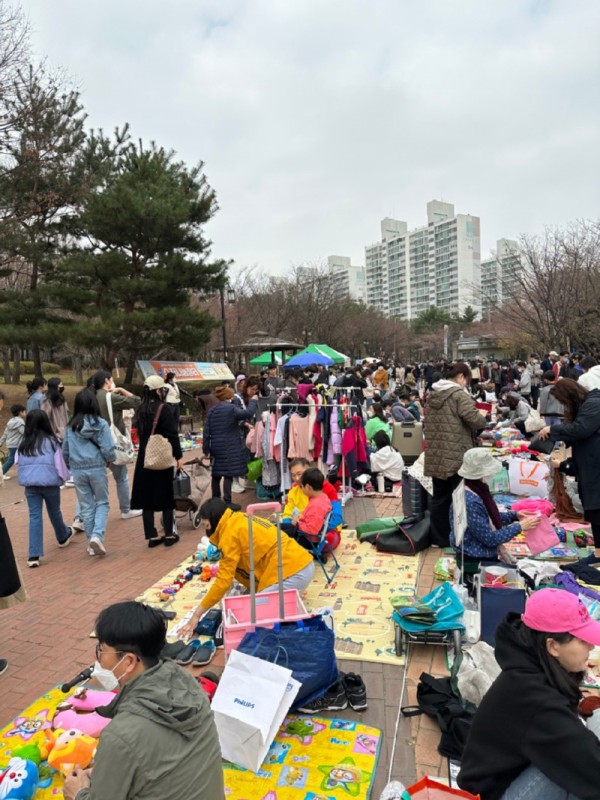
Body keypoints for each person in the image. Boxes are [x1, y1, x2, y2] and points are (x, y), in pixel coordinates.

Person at [62, 601, 224, 800]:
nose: (99, 659)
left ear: (129, 661)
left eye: (102, 651)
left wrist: (77, 793)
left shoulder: (119, 735)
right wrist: (111, 767)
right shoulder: (189, 684)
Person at [458, 588, 600, 800]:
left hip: (513, 774)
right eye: (582, 640)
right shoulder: (535, 699)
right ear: (552, 646)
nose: (591, 645)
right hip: (495, 795)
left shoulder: (532, 664)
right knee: (571, 767)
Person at [181, 499, 315, 638]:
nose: (207, 530)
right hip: (301, 564)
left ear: (214, 520)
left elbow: (223, 581)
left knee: (254, 612)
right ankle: (292, 594)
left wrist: (196, 615)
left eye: (207, 525)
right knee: (250, 600)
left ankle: (290, 604)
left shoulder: (229, 535)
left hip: (294, 572)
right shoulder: (237, 518)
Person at [424, 363, 487, 548]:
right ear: (460, 377)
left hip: (437, 454)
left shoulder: (432, 395)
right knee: (461, 497)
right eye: (466, 380)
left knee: (439, 498)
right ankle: (461, 539)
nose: (466, 384)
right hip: (457, 454)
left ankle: (438, 539)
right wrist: (482, 414)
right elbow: (475, 421)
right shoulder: (458, 395)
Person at [449, 448, 539, 576]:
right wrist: (519, 527)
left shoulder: (473, 489)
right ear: (481, 474)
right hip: (475, 560)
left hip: (475, 553)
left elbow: (486, 517)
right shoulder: (471, 501)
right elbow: (490, 539)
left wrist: (514, 515)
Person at [539, 378, 600, 559]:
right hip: (591, 467)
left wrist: (553, 430)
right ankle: (597, 556)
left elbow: (581, 429)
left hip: (596, 468)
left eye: (564, 401)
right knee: (595, 513)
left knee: (597, 510)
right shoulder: (587, 405)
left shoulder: (594, 403)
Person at [130, 375, 182, 548]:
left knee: (147, 499)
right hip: (161, 457)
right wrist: (179, 456)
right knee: (166, 496)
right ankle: (169, 534)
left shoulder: (141, 409)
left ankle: (152, 536)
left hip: (144, 458)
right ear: (158, 390)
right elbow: (172, 434)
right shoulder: (163, 408)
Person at [62, 390, 116, 557]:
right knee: (102, 503)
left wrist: (70, 466)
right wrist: (110, 459)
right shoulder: (100, 424)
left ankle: (91, 545)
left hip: (78, 470)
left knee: (86, 506)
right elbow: (108, 449)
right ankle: (97, 536)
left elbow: (65, 450)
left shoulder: (71, 426)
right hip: (97, 467)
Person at [17, 409, 73, 567]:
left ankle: (33, 555)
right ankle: (62, 536)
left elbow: (17, 462)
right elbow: (60, 464)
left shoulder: (24, 443)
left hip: (30, 485)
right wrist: (64, 478)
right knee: (54, 511)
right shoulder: (52, 442)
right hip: (50, 483)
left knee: (34, 517)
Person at [92, 371, 142, 521]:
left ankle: (81, 517)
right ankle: (126, 509)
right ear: (107, 381)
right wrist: (120, 390)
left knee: (93, 482)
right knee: (121, 477)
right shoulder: (110, 397)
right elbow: (136, 400)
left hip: (95, 443)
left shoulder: (92, 396)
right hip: (113, 443)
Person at [202, 384, 252, 504]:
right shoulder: (232, 408)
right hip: (230, 446)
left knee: (216, 474)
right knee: (228, 474)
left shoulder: (212, 410)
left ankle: (215, 500)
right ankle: (227, 501)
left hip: (216, 447)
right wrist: (253, 402)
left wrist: (206, 450)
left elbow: (206, 432)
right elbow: (247, 414)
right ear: (228, 396)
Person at [280, 467, 332, 550]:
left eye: (302, 487)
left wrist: (297, 523)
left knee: (278, 532)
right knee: (279, 527)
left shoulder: (316, 506)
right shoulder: (323, 497)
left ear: (308, 487)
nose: (302, 489)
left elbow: (311, 530)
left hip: (308, 540)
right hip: (309, 535)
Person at [0, 404, 26, 479]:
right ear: (20, 412)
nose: (25, 413)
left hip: (10, 444)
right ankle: (1, 473)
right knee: (12, 459)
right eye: (24, 411)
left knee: (14, 458)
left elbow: (5, 434)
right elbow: (24, 433)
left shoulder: (10, 421)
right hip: (16, 444)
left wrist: (1, 442)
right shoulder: (20, 422)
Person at [41, 377, 69, 442]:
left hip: (64, 433)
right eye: (60, 385)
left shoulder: (62, 399)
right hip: (54, 435)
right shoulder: (47, 401)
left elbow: (66, 412)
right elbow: (44, 417)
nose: (61, 387)